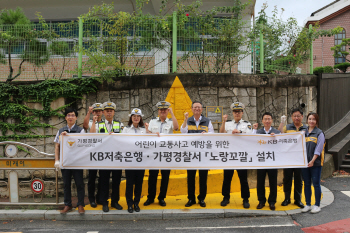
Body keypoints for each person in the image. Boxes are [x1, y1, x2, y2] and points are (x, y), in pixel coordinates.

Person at [219, 102, 256, 209]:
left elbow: (249, 136)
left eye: (239, 111)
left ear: (242, 113)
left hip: (241, 155)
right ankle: (226, 197)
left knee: (243, 179)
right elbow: (221, 133)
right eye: (235, 112)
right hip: (229, 154)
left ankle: (245, 199)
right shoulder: (227, 123)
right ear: (233, 113)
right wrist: (223, 122)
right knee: (227, 178)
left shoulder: (247, 124)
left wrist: (239, 131)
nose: (237, 113)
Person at [90, 101, 124, 212]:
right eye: (107, 111)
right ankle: (104, 202)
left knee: (116, 181)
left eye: (111, 111)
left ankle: (115, 201)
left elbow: (125, 139)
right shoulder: (98, 124)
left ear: (114, 112)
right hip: (104, 157)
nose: (109, 113)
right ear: (104, 112)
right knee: (104, 181)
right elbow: (92, 138)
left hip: (116, 157)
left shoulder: (119, 124)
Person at [144, 101, 179, 207]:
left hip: (166, 154)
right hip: (154, 154)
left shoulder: (170, 121)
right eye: (161, 109)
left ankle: (162, 198)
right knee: (152, 177)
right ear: (158, 111)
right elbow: (148, 134)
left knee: (165, 177)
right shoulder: (153, 121)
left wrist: (172, 113)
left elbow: (176, 128)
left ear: (167, 111)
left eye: (165, 110)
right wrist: (150, 131)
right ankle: (150, 197)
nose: (162, 111)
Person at [180, 101, 214, 208]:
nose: (197, 109)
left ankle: (202, 198)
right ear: (191, 109)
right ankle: (191, 199)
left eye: (199, 107)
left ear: (202, 109)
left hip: (203, 155)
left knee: (203, 178)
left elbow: (212, 134)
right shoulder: (188, 120)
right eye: (195, 107)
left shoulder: (207, 121)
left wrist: (207, 134)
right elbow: (183, 132)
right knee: (190, 178)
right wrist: (185, 119)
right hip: (191, 154)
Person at [54, 108, 85, 214]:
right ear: (65, 117)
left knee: (79, 184)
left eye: (72, 115)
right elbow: (57, 146)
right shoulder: (60, 131)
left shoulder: (81, 130)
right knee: (66, 185)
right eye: (68, 115)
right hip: (65, 162)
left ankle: (80, 205)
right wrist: (57, 160)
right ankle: (68, 205)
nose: (70, 117)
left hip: (77, 162)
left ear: (76, 117)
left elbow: (83, 146)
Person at [278, 109, 307, 208]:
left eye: (298, 116)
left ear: (302, 117)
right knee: (287, 179)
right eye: (294, 116)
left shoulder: (306, 128)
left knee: (299, 180)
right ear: (291, 117)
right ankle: (287, 198)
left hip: (300, 159)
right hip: (288, 159)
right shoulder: (288, 127)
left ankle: (297, 199)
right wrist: (282, 122)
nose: (296, 118)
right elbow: (280, 134)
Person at [122, 108, 147, 213]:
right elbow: (122, 143)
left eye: (138, 116)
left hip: (141, 161)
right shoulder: (126, 129)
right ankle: (129, 204)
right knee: (129, 183)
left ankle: (136, 203)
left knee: (139, 183)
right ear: (131, 118)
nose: (136, 118)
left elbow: (149, 142)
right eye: (134, 116)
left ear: (140, 118)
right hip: (130, 160)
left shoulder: (144, 130)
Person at [254, 112, 280, 211]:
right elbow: (251, 142)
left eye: (269, 119)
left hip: (272, 161)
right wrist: (254, 129)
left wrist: (276, 138)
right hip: (261, 160)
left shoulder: (277, 132)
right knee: (260, 182)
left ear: (272, 120)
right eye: (265, 119)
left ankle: (272, 202)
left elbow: (281, 145)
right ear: (262, 121)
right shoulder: (257, 132)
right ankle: (261, 201)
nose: (267, 121)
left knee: (273, 182)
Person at [301, 113, 325, 214]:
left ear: (316, 121)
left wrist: (312, 161)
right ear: (307, 120)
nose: (311, 121)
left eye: (313, 119)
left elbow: (318, 150)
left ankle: (317, 205)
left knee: (316, 184)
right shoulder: (302, 132)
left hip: (315, 164)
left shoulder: (319, 133)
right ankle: (307, 204)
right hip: (304, 163)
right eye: (310, 119)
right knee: (306, 184)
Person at [83, 103, 103, 208]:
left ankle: (100, 198)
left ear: (102, 112)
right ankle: (91, 199)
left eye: (99, 111)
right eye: (95, 111)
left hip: (103, 155)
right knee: (92, 178)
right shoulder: (90, 122)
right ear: (93, 112)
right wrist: (89, 114)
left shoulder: (106, 123)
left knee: (102, 178)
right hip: (92, 155)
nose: (97, 113)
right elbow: (86, 127)